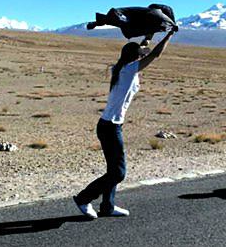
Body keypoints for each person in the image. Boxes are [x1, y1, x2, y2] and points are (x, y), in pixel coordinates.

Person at [73, 29, 176, 219]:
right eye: (140, 53)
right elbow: (155, 54)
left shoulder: (120, 67)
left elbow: (144, 49)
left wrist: (150, 33)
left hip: (109, 125)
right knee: (119, 173)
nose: (143, 53)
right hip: (110, 127)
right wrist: (169, 35)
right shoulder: (129, 70)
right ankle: (83, 198)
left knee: (112, 170)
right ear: (135, 57)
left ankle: (107, 207)